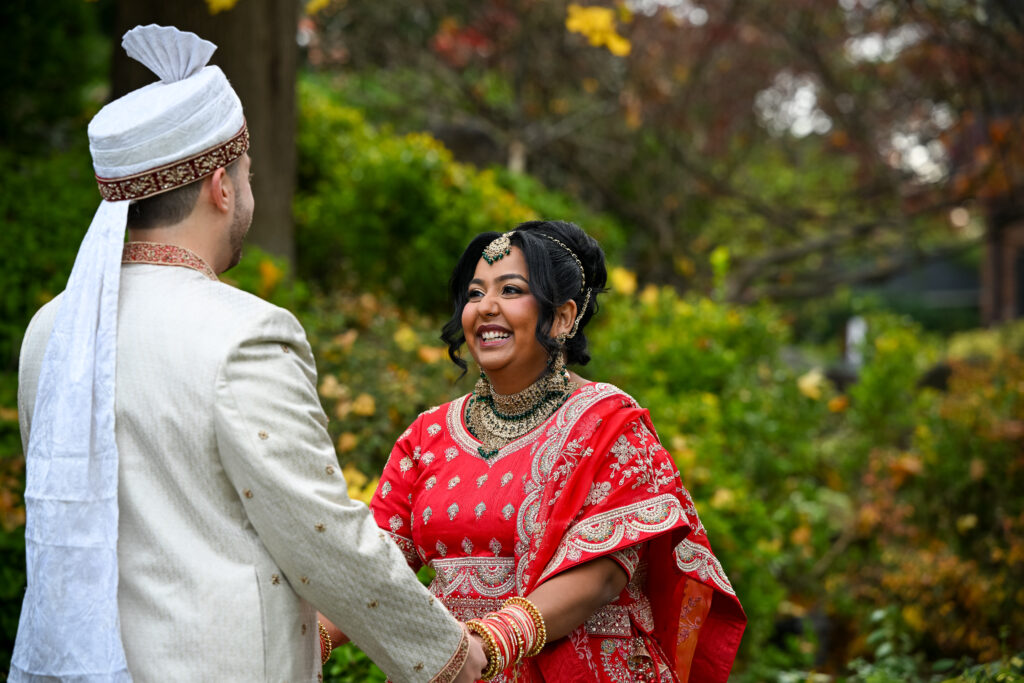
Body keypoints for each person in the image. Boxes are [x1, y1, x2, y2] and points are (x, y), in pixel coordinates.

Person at [11, 25, 483, 683]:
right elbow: (323, 536)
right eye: (247, 172)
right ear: (220, 187)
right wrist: (454, 657)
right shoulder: (244, 332)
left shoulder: (50, 331)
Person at [365, 221, 747, 682]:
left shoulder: (608, 424)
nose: (485, 308)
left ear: (563, 317)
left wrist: (489, 644)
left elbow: (604, 572)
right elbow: (371, 564)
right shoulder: (428, 435)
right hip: (454, 669)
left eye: (510, 290)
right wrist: (308, 638)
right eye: (474, 293)